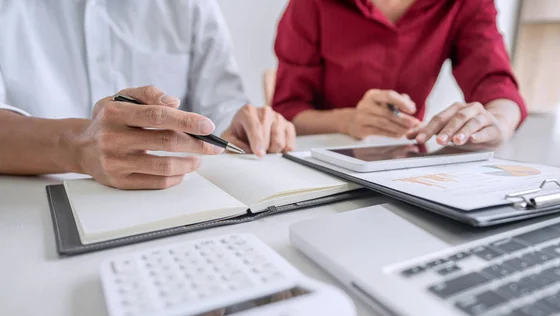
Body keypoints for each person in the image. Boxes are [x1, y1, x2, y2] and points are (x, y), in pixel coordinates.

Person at [0, 0, 295, 190]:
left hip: (171, 206)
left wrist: (244, 122)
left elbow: (221, 102)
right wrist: (76, 146)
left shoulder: (193, 6)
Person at [272, 0, 527, 150]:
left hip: (406, 161)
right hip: (323, 158)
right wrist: (348, 121)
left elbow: (496, 83)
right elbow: (288, 112)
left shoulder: (464, 4)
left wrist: (499, 123)